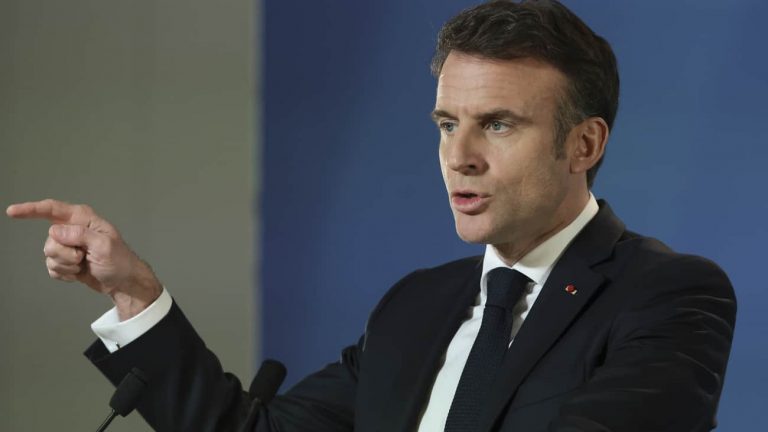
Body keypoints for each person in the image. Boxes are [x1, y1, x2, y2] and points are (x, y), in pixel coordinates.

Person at [6, 1, 736, 431]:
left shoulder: (668, 295)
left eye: (498, 124)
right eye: (447, 124)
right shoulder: (416, 306)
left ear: (584, 144)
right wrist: (134, 294)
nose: (459, 157)